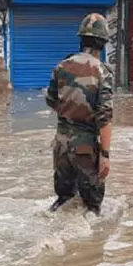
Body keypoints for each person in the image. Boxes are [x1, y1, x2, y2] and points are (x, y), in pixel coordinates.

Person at [46, 13, 114, 215]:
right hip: (86, 148)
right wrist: (105, 155)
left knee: (63, 202)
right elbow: (105, 118)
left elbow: (51, 101)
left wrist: (71, 111)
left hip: (61, 147)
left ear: (81, 39)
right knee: (92, 208)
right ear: (102, 44)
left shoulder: (61, 66)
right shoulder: (102, 72)